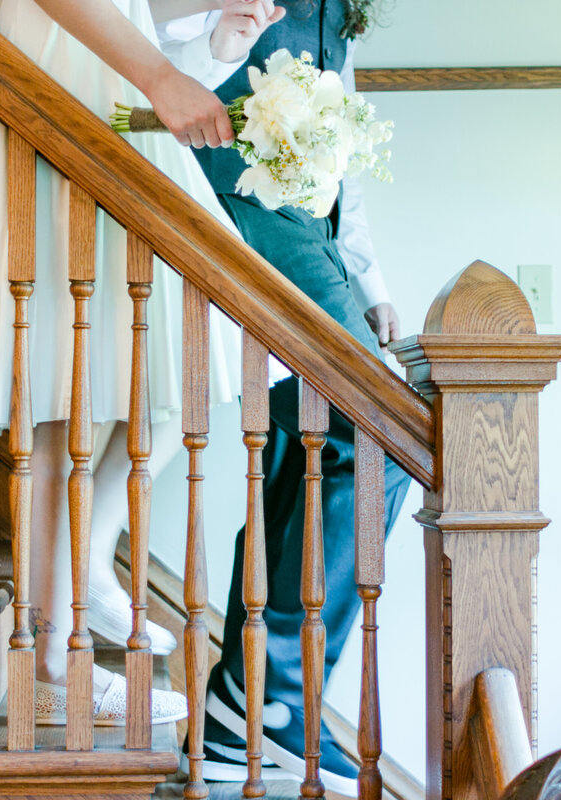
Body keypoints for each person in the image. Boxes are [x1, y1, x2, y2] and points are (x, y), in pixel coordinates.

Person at [0, 0, 283, 725]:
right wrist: (163, 75)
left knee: (173, 369)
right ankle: (46, 660)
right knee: (66, 386)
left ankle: (86, 567)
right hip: (59, 87)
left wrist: (213, 28)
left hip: (106, 91)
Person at [157, 2, 413, 793]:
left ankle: (252, 707)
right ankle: (265, 702)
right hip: (236, 195)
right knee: (378, 435)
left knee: (310, 450)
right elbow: (156, 24)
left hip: (311, 223)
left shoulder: (341, 12)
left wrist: (368, 280)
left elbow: (339, 149)